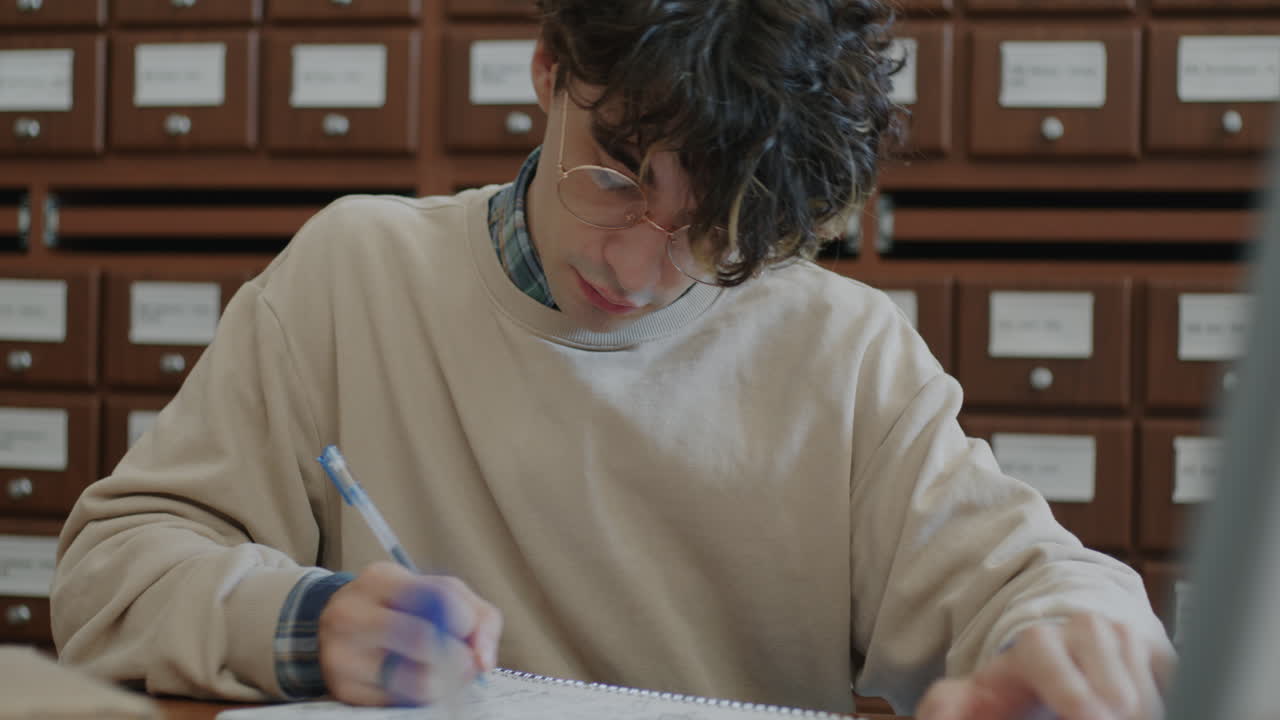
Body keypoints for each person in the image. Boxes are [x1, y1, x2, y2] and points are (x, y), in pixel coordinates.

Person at [51, 1, 1175, 718]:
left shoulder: (845, 354)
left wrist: (1075, 643)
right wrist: (307, 622)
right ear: (549, 70)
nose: (635, 268)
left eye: (710, 228)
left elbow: (1037, 580)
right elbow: (113, 572)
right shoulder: (355, 273)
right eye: (617, 175)